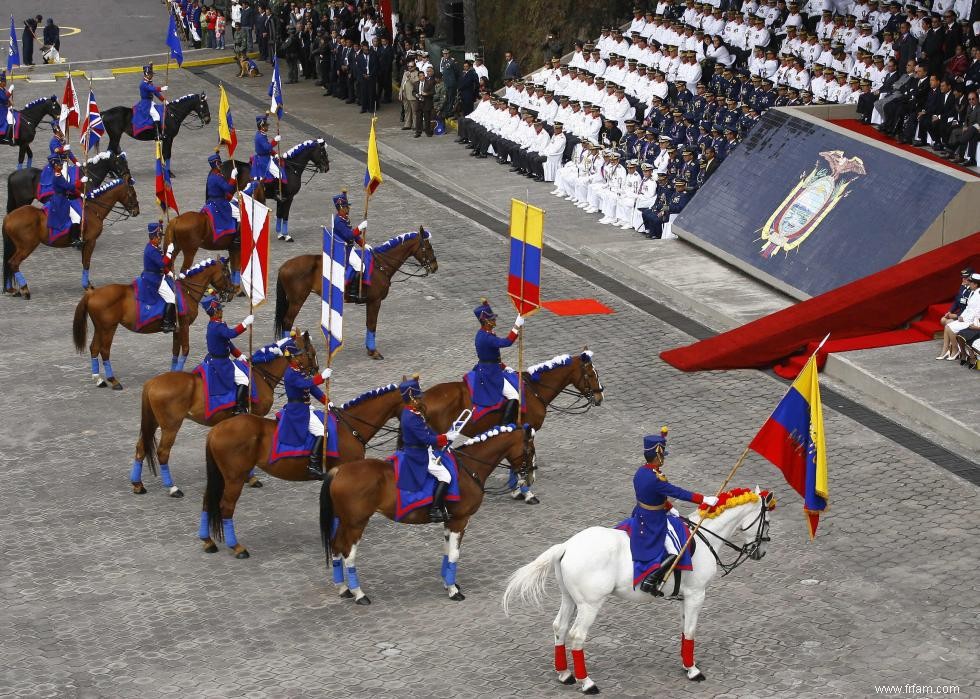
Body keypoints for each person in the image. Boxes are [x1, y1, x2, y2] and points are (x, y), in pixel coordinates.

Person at [628, 429, 718, 596]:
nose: (664, 459)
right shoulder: (656, 478)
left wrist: (668, 507)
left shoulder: (642, 471)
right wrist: (704, 499)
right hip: (653, 519)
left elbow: (652, 496)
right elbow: (678, 492)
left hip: (640, 512)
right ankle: (651, 580)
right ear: (657, 456)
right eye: (662, 456)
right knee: (676, 549)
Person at [396, 375, 461, 522]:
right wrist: (445, 438)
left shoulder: (413, 411)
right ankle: (435, 509)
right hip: (418, 453)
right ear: (412, 399)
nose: (421, 400)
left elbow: (427, 430)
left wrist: (444, 436)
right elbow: (425, 439)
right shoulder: (411, 417)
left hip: (422, 448)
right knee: (446, 476)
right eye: (418, 398)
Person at [277, 338, 333, 478]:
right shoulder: (290, 373)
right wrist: (322, 377)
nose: (302, 358)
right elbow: (304, 384)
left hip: (305, 407)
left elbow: (312, 388)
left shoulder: (299, 369)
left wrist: (327, 401)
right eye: (299, 356)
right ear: (293, 358)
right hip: (297, 410)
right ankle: (313, 465)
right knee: (322, 431)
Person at [472, 298, 524, 423]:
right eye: (492, 319)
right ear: (486, 322)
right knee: (514, 396)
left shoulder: (483, 333)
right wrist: (517, 325)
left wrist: (503, 366)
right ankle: (504, 425)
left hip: (491, 366)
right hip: (490, 372)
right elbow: (507, 342)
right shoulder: (487, 337)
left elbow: (490, 356)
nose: (495, 320)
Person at [201, 295, 255, 414]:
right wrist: (245, 324)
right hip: (221, 363)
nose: (222, 311)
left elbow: (227, 342)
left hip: (216, 358)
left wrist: (239, 355)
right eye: (220, 309)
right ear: (215, 311)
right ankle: (239, 408)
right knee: (244, 380)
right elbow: (231, 334)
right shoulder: (217, 326)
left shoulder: (215, 324)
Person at [329, 192, 368, 303]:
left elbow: (353, 236)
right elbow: (349, 235)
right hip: (344, 249)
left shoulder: (345, 218)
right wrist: (360, 227)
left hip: (350, 247)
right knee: (361, 267)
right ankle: (353, 293)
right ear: (341, 207)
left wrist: (363, 244)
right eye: (346, 207)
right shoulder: (338, 221)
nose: (348, 208)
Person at [142, 222, 177, 333]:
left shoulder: (155, 247)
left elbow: (161, 266)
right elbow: (162, 263)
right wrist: (169, 253)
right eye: (158, 237)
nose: (160, 240)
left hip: (158, 274)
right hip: (153, 279)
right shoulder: (151, 250)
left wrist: (169, 273)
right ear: (153, 237)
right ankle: (167, 324)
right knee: (171, 297)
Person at [45, 155, 86, 248]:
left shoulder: (58, 175)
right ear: (55, 166)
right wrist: (80, 182)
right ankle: (74, 240)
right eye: (59, 164)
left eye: (60, 164)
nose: (61, 165)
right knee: (76, 217)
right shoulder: (58, 177)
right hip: (61, 201)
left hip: (60, 198)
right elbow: (69, 186)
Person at [203, 152, 239, 243]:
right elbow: (229, 188)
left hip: (212, 200)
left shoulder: (211, 176)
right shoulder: (217, 177)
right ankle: (237, 238)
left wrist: (233, 197)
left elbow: (221, 191)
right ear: (216, 164)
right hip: (219, 203)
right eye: (219, 163)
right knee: (240, 213)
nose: (221, 165)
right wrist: (233, 177)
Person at [251, 114, 282, 200]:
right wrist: (275, 141)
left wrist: (274, 153)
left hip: (265, 155)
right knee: (278, 173)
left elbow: (267, 148)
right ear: (262, 126)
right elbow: (267, 147)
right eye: (266, 125)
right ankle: (275, 193)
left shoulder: (261, 134)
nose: (267, 127)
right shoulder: (260, 137)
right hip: (263, 159)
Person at [133, 64, 167, 139]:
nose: (152, 76)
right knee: (156, 115)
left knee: (160, 112)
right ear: (146, 74)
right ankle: (157, 134)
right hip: (145, 104)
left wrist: (164, 100)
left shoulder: (149, 82)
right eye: (151, 74)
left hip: (150, 102)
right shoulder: (143, 84)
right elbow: (152, 89)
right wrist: (161, 88)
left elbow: (156, 93)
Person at [355, 40, 379, 114]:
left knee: (371, 93)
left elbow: (376, 66)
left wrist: (370, 75)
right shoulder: (359, 57)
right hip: (363, 78)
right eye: (365, 50)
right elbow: (358, 68)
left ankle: (371, 108)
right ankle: (364, 108)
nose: (366, 51)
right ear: (362, 50)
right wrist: (363, 74)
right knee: (364, 93)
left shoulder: (373, 55)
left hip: (371, 77)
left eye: (367, 49)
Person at [415, 65, 436, 137]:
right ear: (418, 77)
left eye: (423, 75)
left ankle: (428, 131)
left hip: (426, 102)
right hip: (419, 103)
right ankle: (418, 132)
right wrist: (416, 95)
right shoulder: (416, 83)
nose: (422, 77)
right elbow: (413, 91)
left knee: (427, 118)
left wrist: (426, 93)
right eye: (420, 76)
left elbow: (433, 92)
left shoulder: (429, 83)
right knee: (418, 118)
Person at [0, 71, 14, 144]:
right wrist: (10, 91)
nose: (5, 83)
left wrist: (10, 103)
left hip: (5, 108)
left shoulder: (3, 89)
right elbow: (4, 98)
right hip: (1, 110)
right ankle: (6, 138)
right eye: (4, 81)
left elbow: (6, 100)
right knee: (11, 120)